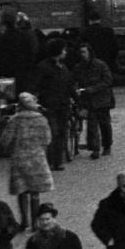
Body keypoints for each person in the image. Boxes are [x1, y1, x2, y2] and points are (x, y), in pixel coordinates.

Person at [1, 92, 54, 229]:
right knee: (35, 191)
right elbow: (47, 139)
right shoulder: (41, 119)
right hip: (37, 158)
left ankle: (24, 221)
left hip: (20, 159)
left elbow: (5, 140)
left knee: (22, 190)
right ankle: (36, 223)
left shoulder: (14, 120)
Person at [31, 42, 73, 171]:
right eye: (63, 50)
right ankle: (50, 161)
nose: (65, 52)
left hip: (63, 105)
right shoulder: (43, 67)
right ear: (57, 52)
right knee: (52, 133)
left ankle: (58, 161)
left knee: (62, 133)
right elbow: (34, 85)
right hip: (49, 106)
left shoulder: (63, 67)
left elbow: (68, 85)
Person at [71, 44, 114, 158]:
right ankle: (95, 148)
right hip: (89, 100)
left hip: (102, 99)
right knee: (92, 125)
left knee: (104, 124)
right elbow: (72, 81)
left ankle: (107, 145)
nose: (83, 54)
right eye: (81, 52)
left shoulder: (100, 65)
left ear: (89, 52)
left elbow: (108, 81)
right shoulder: (78, 67)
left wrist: (92, 89)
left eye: (84, 52)